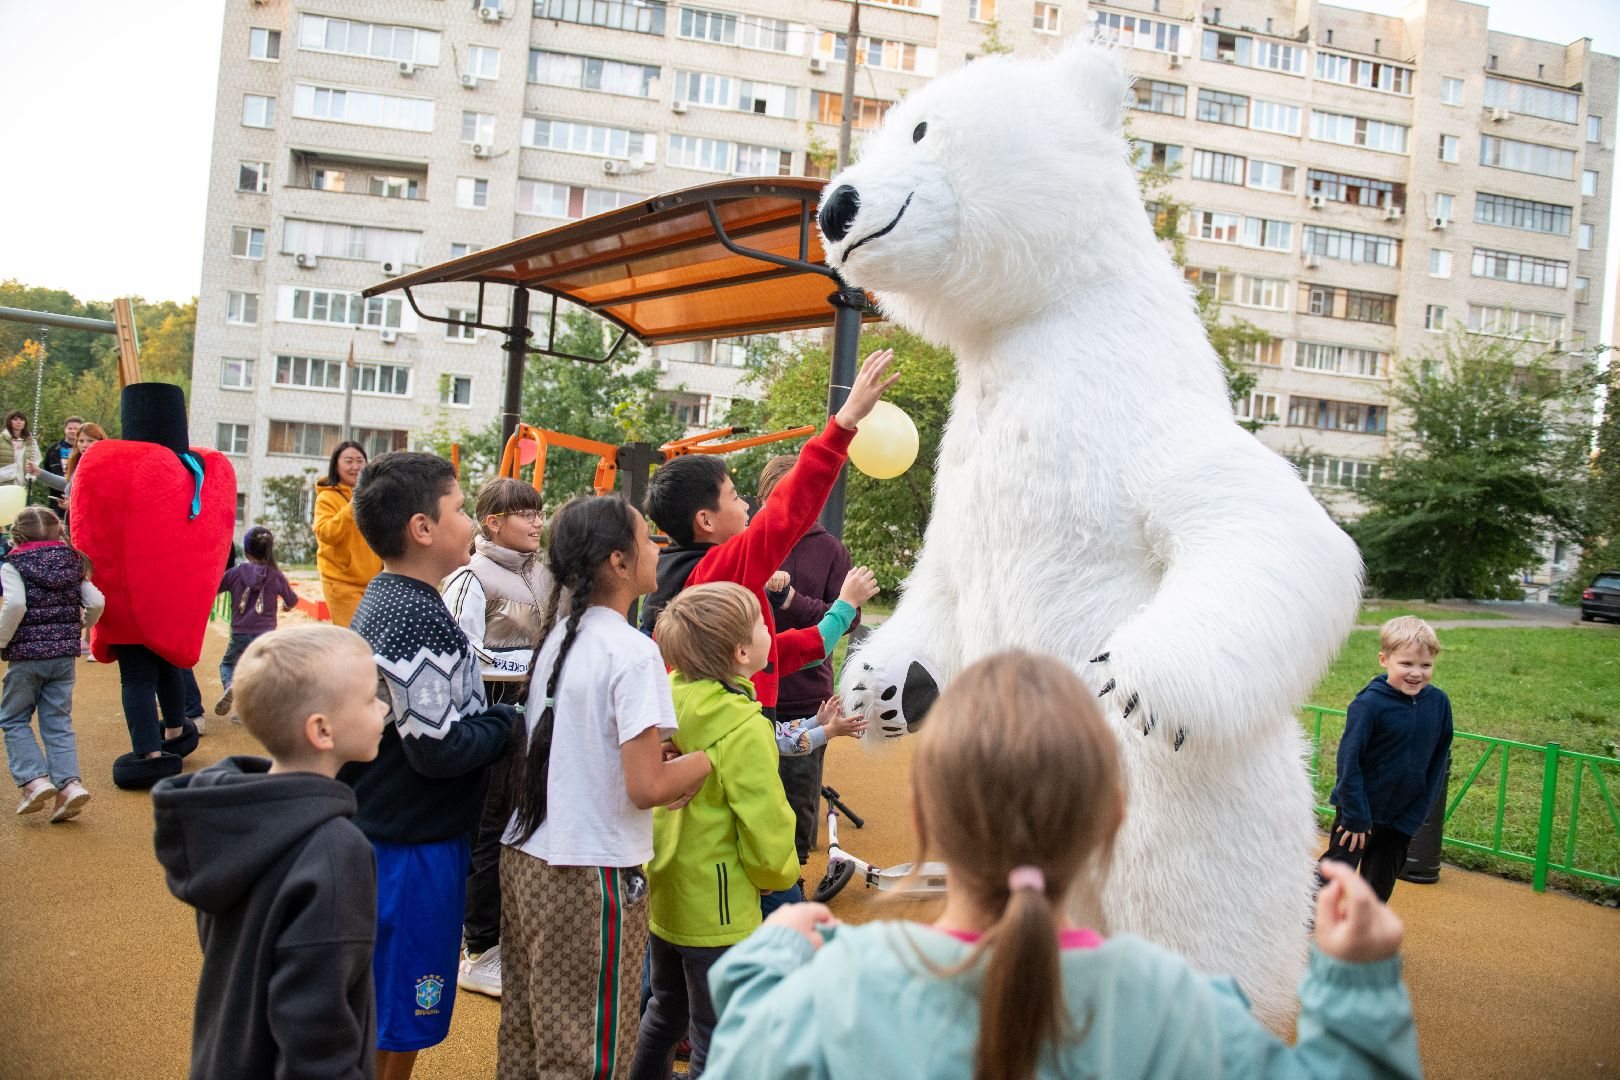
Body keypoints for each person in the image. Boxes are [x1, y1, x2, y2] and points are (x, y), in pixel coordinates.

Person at [701, 651, 1423, 1080]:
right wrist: (1357, 984)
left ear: (924, 817)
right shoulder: (1181, 1008)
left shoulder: (837, 993)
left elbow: (745, 1055)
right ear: (1113, 815)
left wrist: (763, 964)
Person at [498, 495, 711, 1080]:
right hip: (590, 875)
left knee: (529, 1031)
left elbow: (583, 746)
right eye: (647, 539)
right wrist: (703, 763)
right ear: (618, 562)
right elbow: (648, 787)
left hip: (527, 856)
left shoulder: (559, 635)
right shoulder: (634, 652)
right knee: (591, 1050)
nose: (657, 548)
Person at [338, 451, 517, 1080]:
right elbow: (437, 748)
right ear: (422, 528)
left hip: (392, 831)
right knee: (401, 1009)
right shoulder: (418, 616)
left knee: (380, 999)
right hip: (412, 843)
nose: (470, 521)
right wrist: (508, 723)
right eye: (461, 509)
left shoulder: (395, 597)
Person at [153, 624, 387, 1080]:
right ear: (322, 730)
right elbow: (316, 1034)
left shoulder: (236, 821)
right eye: (369, 698)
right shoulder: (336, 850)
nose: (382, 706)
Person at [640, 349, 899, 721]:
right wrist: (844, 422)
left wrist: (825, 628)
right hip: (745, 724)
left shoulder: (687, 574)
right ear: (706, 521)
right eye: (733, 497)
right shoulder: (716, 571)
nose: (746, 506)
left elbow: (756, 654)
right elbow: (785, 514)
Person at [632, 583, 801, 1080]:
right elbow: (764, 818)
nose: (770, 631)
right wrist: (777, 873)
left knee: (665, 1010)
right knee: (716, 1028)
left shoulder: (669, 702)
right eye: (761, 625)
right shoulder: (744, 726)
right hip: (720, 911)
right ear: (742, 653)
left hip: (667, 895)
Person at [441, 477, 551, 999]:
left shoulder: (547, 573)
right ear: (493, 522)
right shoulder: (467, 578)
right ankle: (479, 948)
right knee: (488, 831)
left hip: (535, 722)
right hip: (490, 725)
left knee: (522, 826)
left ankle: (507, 936)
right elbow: (463, 655)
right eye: (526, 514)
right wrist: (534, 665)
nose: (537, 522)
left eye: (539, 513)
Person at [757, 450, 873, 868]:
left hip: (805, 695)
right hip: (749, 688)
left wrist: (790, 600)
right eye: (781, 494)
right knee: (750, 792)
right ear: (765, 496)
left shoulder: (830, 550)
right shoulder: (752, 540)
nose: (792, 502)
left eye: (803, 492)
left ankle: (797, 877)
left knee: (798, 796)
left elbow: (846, 616)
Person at [1322, 616, 1454, 903]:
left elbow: (1437, 764)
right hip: (1359, 811)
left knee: (1378, 886)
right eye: (1406, 664)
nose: (1416, 673)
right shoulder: (1369, 705)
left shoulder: (1439, 704)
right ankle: (1297, 928)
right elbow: (1349, 762)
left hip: (1400, 817)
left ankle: (1362, 938)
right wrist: (1356, 815)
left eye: (1425, 665)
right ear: (1384, 659)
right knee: (1335, 876)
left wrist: (1413, 817)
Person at [0, 506, 103, 822]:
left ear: (18, 533)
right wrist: (85, 623)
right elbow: (97, 600)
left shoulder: (13, 564)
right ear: (58, 531)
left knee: (14, 719)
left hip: (26, 658)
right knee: (57, 723)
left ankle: (34, 780)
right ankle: (69, 786)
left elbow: (16, 603)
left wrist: (2, 639)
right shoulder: (73, 562)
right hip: (62, 658)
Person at [213, 525, 300, 719]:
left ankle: (231, 685)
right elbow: (292, 600)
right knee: (258, 671)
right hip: (266, 636)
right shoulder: (276, 575)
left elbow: (215, 588)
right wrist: (286, 606)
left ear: (246, 550)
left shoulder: (236, 573)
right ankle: (250, 711)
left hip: (240, 633)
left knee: (228, 665)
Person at [315, 440, 384, 628]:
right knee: (354, 636)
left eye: (359, 460)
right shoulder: (326, 497)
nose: (355, 466)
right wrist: (353, 504)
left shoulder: (372, 497)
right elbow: (326, 534)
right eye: (348, 461)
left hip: (373, 580)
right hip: (341, 581)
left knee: (372, 636)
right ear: (336, 466)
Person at [0, 409, 38, 487]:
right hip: (3, 482)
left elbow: (36, 460)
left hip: (23, 482)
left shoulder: (30, 441)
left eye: (22, 419)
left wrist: (32, 477)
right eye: (15, 419)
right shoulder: (1, 439)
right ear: (9, 421)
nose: (19, 422)